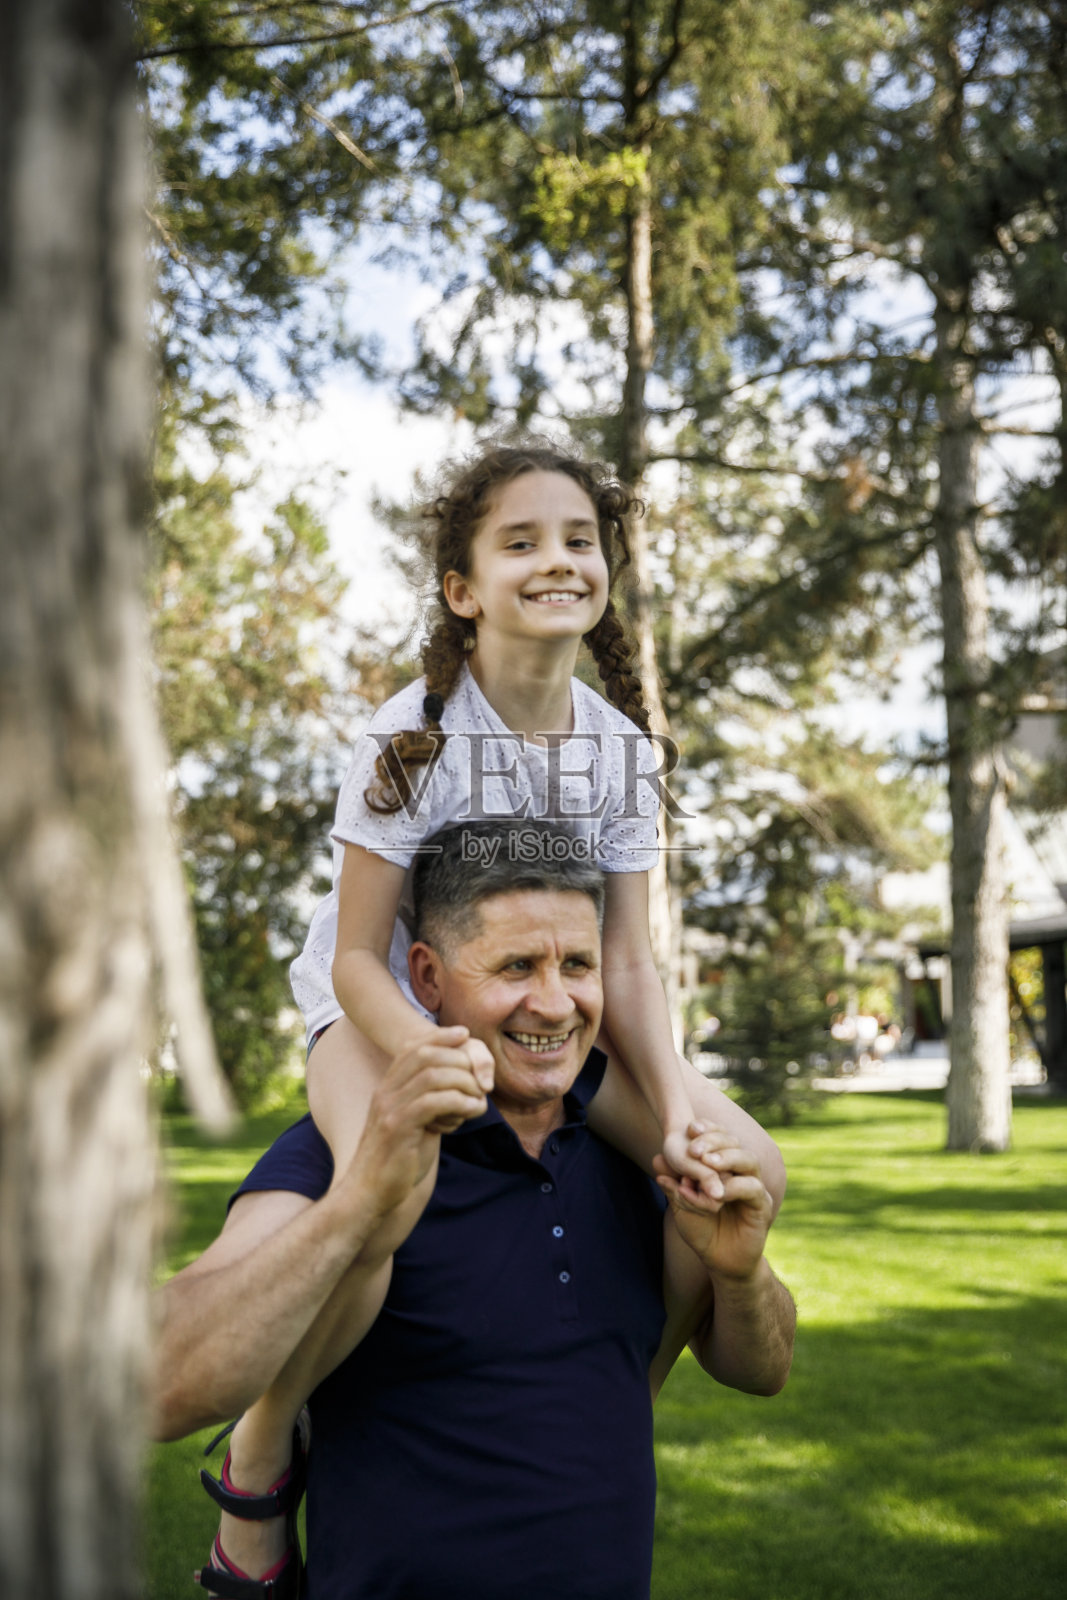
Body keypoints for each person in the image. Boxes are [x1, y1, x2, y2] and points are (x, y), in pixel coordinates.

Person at [195, 441, 744, 1591]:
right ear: (462, 588)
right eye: (521, 541)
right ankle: (265, 1443)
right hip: (380, 1012)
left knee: (740, 1173)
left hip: (537, 1012)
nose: (558, 560)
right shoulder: (412, 738)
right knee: (385, 1204)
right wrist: (438, 1060)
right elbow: (355, 957)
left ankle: (605, 1409)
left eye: (579, 539)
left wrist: (677, 1110)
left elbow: (628, 964)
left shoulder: (620, 752)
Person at [154, 822, 795, 1600]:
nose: (554, 1004)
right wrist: (360, 1203)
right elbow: (159, 1386)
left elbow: (764, 1372)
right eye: (516, 966)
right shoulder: (351, 1148)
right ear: (426, 978)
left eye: (577, 965)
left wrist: (740, 1276)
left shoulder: (648, 1157)